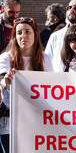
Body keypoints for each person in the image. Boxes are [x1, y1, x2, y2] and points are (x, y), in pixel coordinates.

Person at [0, 17, 53, 153]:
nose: (23, 36)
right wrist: (6, 80)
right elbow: (2, 79)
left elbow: (51, 87)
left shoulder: (45, 58)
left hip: (37, 122)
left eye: (27, 32)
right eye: (19, 33)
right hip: (10, 124)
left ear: (35, 34)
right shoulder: (6, 57)